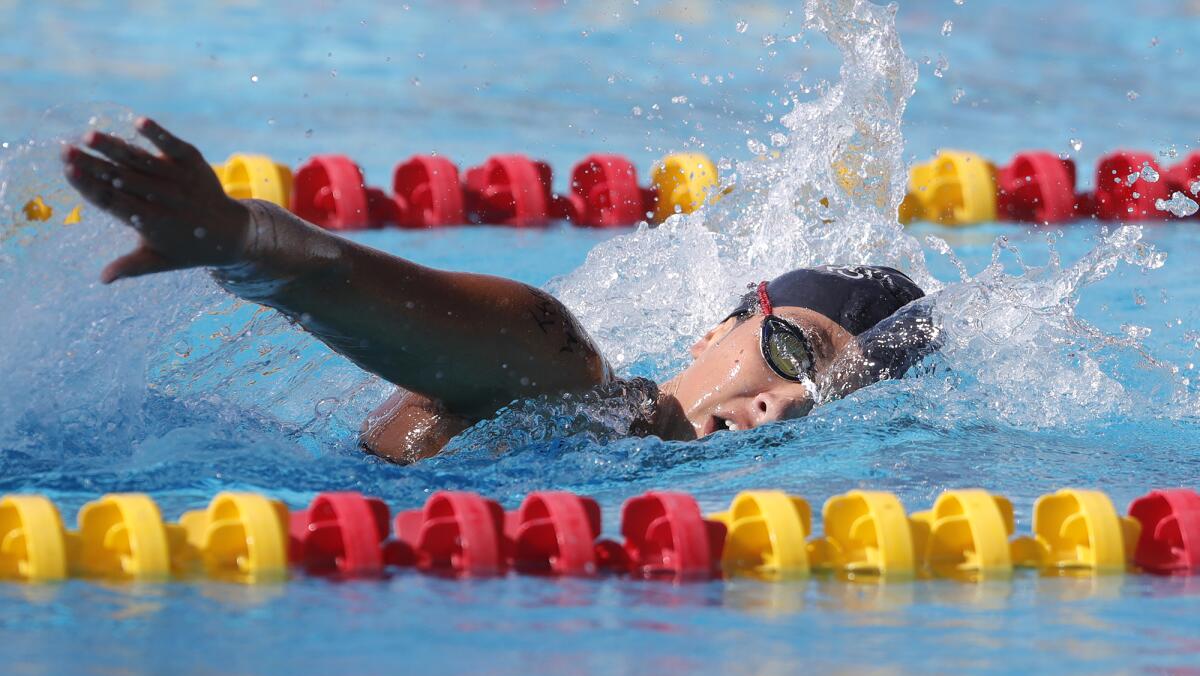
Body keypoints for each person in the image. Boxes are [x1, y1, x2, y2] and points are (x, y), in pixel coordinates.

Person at [61, 118, 937, 463]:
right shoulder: (561, 371)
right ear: (720, 328)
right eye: (796, 354)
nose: (785, 407)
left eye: (826, 401)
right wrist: (241, 240)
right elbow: (334, 279)